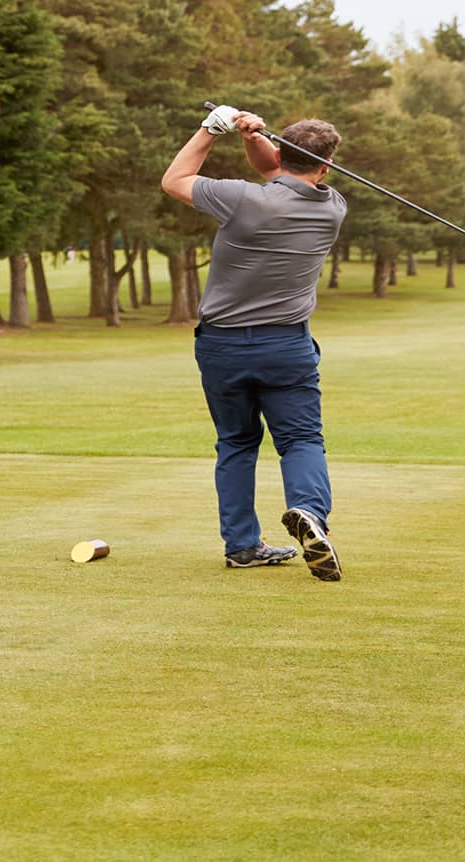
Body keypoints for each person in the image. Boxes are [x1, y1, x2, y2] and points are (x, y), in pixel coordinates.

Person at [159, 105, 348, 581]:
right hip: (286, 347)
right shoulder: (332, 207)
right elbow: (277, 172)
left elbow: (175, 180)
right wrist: (252, 137)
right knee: (301, 439)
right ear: (326, 167)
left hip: (221, 347)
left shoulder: (240, 199)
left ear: (283, 153)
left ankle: (242, 546)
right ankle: (309, 512)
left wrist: (211, 130)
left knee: (237, 443)